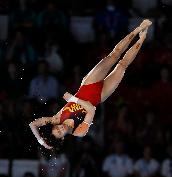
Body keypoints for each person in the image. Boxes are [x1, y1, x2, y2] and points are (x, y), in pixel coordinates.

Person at [29, 20, 152, 149]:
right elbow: (91, 109)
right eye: (60, 132)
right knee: (122, 66)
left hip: (88, 84)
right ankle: (142, 38)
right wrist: (73, 99)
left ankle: (137, 29)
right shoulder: (79, 132)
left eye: (57, 128)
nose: (60, 128)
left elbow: (32, 124)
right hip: (99, 96)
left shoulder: (55, 119)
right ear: (63, 137)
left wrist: (41, 142)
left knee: (114, 56)